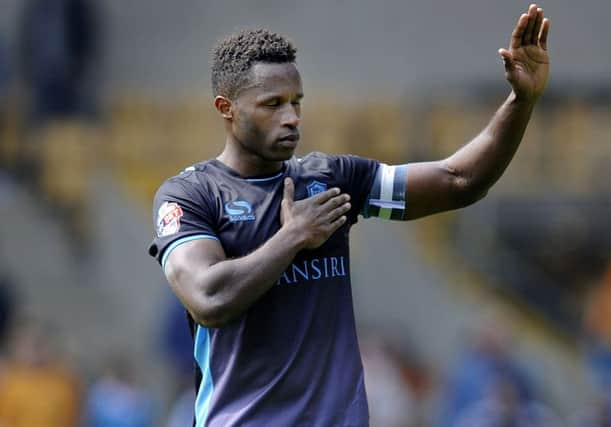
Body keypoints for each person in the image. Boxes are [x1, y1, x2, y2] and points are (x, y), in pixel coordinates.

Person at [147, 4, 550, 426]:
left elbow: (459, 181)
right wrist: (294, 236)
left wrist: (521, 101)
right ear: (226, 107)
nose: (291, 118)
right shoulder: (191, 195)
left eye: (296, 102)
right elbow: (209, 298)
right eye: (272, 104)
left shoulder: (332, 179)